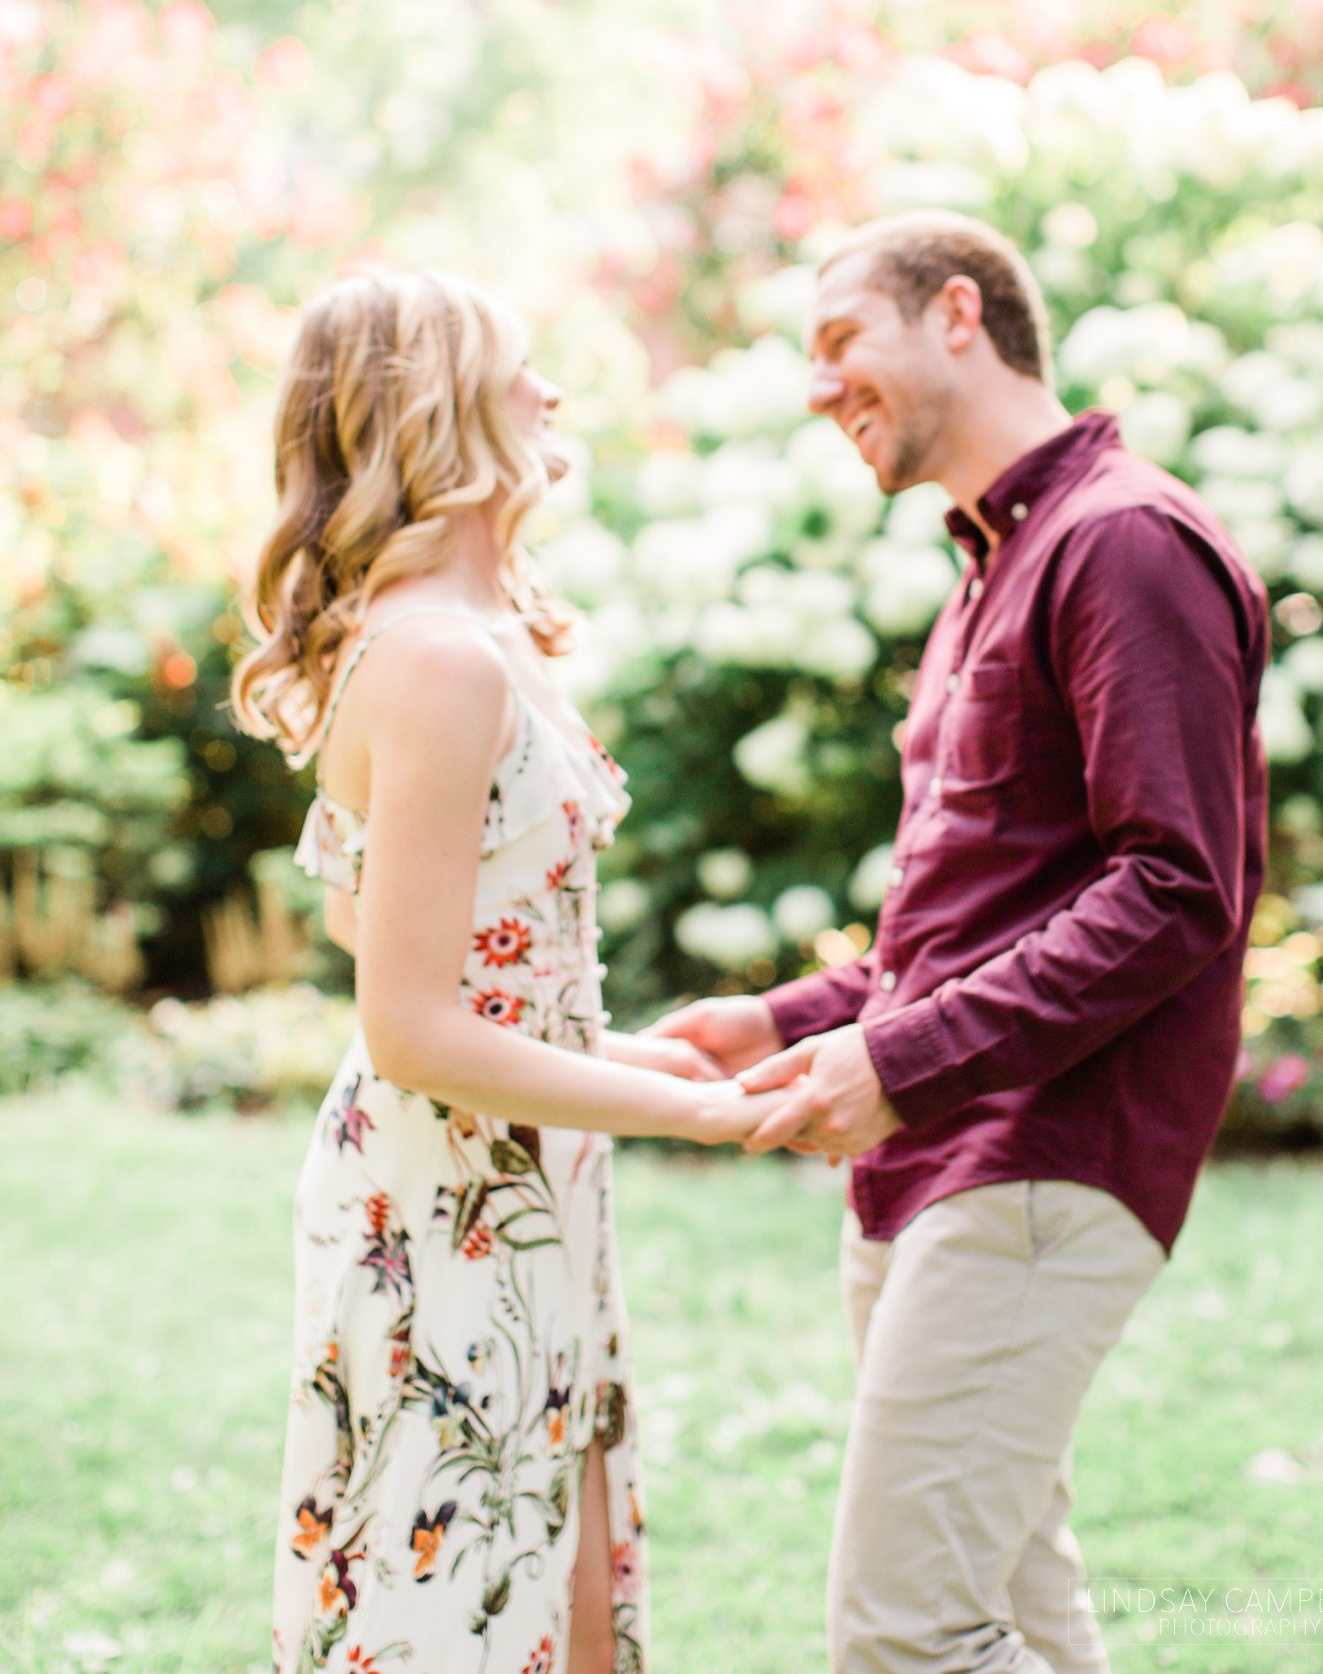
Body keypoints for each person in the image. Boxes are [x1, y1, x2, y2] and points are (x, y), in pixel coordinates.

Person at [652, 212, 1269, 1674]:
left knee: (908, 1634)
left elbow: (1178, 888)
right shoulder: (997, 565)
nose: (817, 388)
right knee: (1023, 1620)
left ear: (955, 316)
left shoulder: (1123, 543)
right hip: (941, 1160)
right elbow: (983, 912)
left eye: (837, 341)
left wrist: (902, 1059)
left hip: (1043, 1160)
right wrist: (792, 1018)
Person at [232, 269, 782, 1674]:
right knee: (462, 1602)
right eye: (525, 367)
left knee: (565, 1570)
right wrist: (692, 1113)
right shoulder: (434, 662)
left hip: (524, 1172)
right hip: (443, 1191)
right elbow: (406, 1020)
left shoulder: (479, 641)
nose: (553, 393)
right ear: (443, 407)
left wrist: (620, 1055)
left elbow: (408, 932)